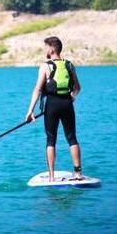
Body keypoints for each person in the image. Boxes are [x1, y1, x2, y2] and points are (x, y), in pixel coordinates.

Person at [24, 36, 83, 182]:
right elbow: (77, 88)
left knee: (51, 140)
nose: (45, 50)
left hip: (52, 105)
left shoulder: (45, 66)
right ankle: (77, 173)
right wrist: (72, 97)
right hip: (67, 104)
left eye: (46, 47)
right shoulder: (69, 65)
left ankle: (51, 177)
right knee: (71, 137)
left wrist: (30, 111)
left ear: (51, 48)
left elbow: (38, 89)